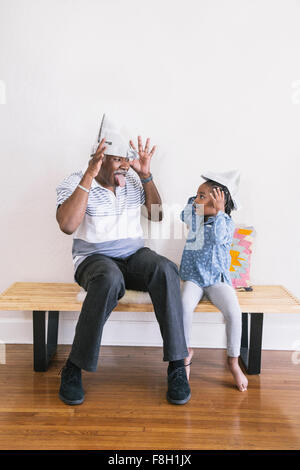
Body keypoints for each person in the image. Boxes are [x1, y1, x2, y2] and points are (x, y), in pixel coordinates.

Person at [56, 115, 191, 405]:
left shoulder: (131, 180)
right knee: (108, 278)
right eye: (118, 160)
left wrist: (145, 176)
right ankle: (73, 368)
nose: (124, 166)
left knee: (166, 270)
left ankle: (178, 366)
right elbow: (67, 225)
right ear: (100, 159)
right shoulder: (76, 181)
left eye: (126, 160)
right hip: (94, 259)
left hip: (134, 254)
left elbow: (156, 216)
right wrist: (88, 178)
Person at [179, 170, 248, 392]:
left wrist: (219, 213)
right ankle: (185, 354)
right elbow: (184, 216)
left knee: (234, 312)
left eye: (202, 196)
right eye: (196, 195)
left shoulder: (226, 222)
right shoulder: (194, 215)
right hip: (194, 278)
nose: (197, 199)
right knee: (183, 306)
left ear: (220, 202)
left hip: (217, 280)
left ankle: (233, 362)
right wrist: (197, 201)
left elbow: (220, 239)